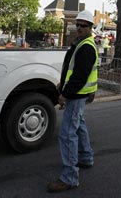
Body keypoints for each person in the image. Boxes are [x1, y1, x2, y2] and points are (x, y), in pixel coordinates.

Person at [47, 10, 98, 193]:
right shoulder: (82, 44)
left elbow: (80, 76)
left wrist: (65, 94)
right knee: (79, 125)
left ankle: (69, 177)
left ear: (91, 27)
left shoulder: (86, 46)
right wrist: (63, 82)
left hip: (76, 94)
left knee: (67, 134)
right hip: (79, 93)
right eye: (77, 24)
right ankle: (86, 158)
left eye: (83, 25)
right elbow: (72, 69)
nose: (79, 28)